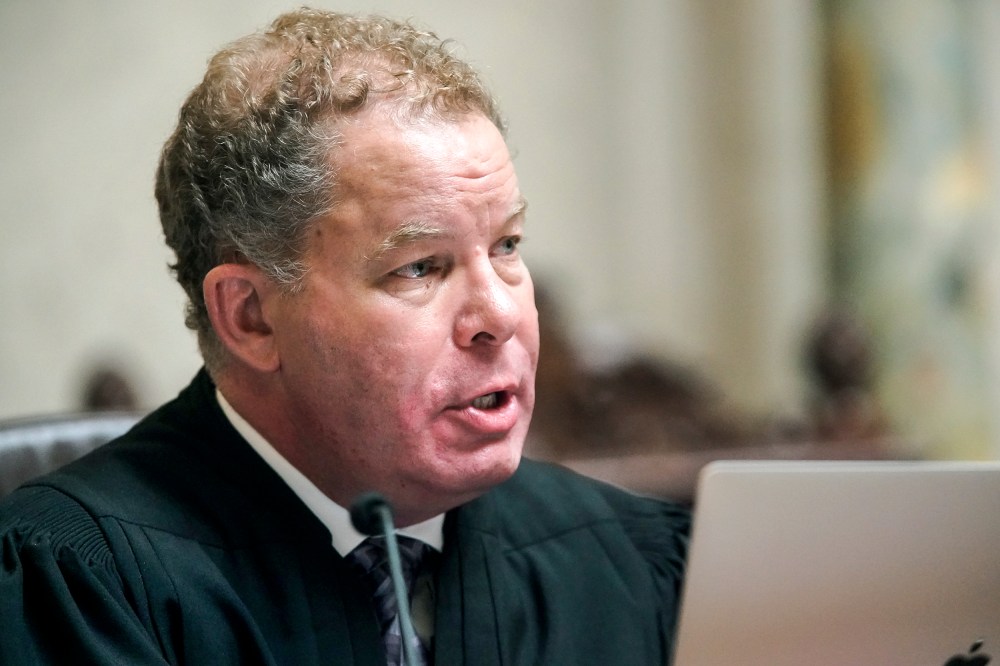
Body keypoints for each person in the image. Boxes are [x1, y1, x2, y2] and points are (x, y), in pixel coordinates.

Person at [0, 8, 689, 665]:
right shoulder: (83, 586)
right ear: (251, 317)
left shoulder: (631, 560)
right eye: (420, 267)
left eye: (506, 246)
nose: (499, 315)